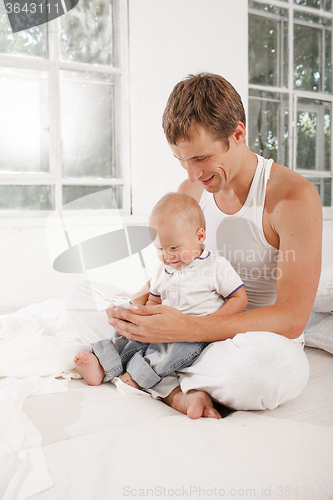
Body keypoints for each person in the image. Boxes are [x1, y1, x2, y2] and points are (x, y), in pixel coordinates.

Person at [105, 73, 323, 419]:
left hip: (248, 338)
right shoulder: (191, 191)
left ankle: (156, 375)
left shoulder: (293, 197)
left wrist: (186, 329)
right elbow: (170, 270)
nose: (192, 175)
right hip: (186, 322)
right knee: (84, 300)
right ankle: (176, 387)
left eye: (201, 158)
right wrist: (134, 310)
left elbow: (292, 319)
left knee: (275, 370)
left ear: (238, 134)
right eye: (181, 160)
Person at [74, 192, 247, 407]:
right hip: (160, 328)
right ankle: (102, 362)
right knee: (125, 336)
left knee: (168, 353)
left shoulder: (215, 266)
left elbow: (239, 298)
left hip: (193, 335)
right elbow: (153, 302)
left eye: (174, 248)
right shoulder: (162, 270)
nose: (166, 256)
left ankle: (139, 374)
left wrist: (212, 322)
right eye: (159, 249)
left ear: (200, 236)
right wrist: (138, 319)